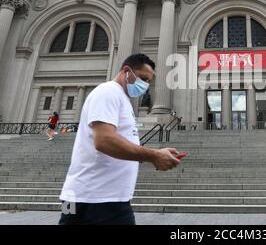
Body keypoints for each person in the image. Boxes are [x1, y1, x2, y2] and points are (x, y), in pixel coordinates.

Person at [58, 54, 182, 225]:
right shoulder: (108, 92)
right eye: (143, 78)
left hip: (97, 197)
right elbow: (104, 140)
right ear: (126, 71)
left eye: (148, 82)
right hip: (94, 199)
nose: (145, 86)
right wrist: (153, 155)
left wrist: (158, 154)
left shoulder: (121, 98)